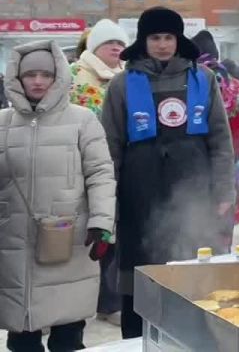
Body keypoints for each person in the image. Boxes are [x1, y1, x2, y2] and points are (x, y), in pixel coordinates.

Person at [100, 7, 234, 338]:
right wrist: (108, 204)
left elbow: (220, 141)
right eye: (155, 38)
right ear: (144, 42)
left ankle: (194, 339)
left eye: (168, 37)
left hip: (194, 193)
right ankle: (136, 339)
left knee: (193, 273)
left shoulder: (203, 79)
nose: (162, 44)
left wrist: (223, 192)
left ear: (179, 40)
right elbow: (110, 148)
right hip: (138, 196)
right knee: (140, 275)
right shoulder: (121, 85)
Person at [0, 41, 116, 352]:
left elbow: (101, 174)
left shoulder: (82, 120)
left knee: (67, 337)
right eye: (30, 75)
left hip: (69, 242)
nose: (37, 81)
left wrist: (102, 222)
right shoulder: (3, 123)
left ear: (58, 78)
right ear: (17, 78)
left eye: (45, 74)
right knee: (22, 338)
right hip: (14, 248)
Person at [68, 18, 129, 326]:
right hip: (81, 167)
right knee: (88, 235)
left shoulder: (127, 77)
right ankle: (75, 304)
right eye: (110, 44)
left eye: (120, 44)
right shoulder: (75, 76)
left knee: (114, 233)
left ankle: (109, 300)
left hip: (118, 165)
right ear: (95, 48)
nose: (116, 49)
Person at [192, 30, 239, 227]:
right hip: (237, 157)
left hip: (203, 158)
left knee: (201, 217)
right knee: (229, 213)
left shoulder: (193, 83)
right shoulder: (234, 84)